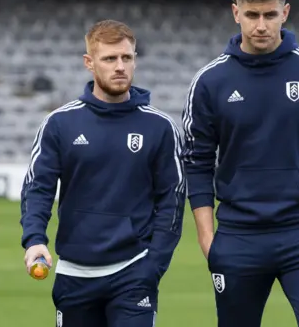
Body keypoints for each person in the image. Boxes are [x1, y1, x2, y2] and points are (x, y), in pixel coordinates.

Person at [181, 0, 299, 326]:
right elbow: (197, 164)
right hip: (238, 239)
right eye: (252, 15)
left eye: (270, 15)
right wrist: (207, 239)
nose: (261, 25)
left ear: (285, 13)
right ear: (236, 13)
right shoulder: (210, 81)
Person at [20, 20, 186, 327]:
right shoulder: (59, 124)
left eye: (127, 57)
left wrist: (154, 264)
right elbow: (38, 189)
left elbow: (172, 201)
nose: (120, 66)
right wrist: (34, 239)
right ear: (89, 62)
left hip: (134, 271)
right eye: (110, 59)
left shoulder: (160, 128)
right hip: (74, 274)